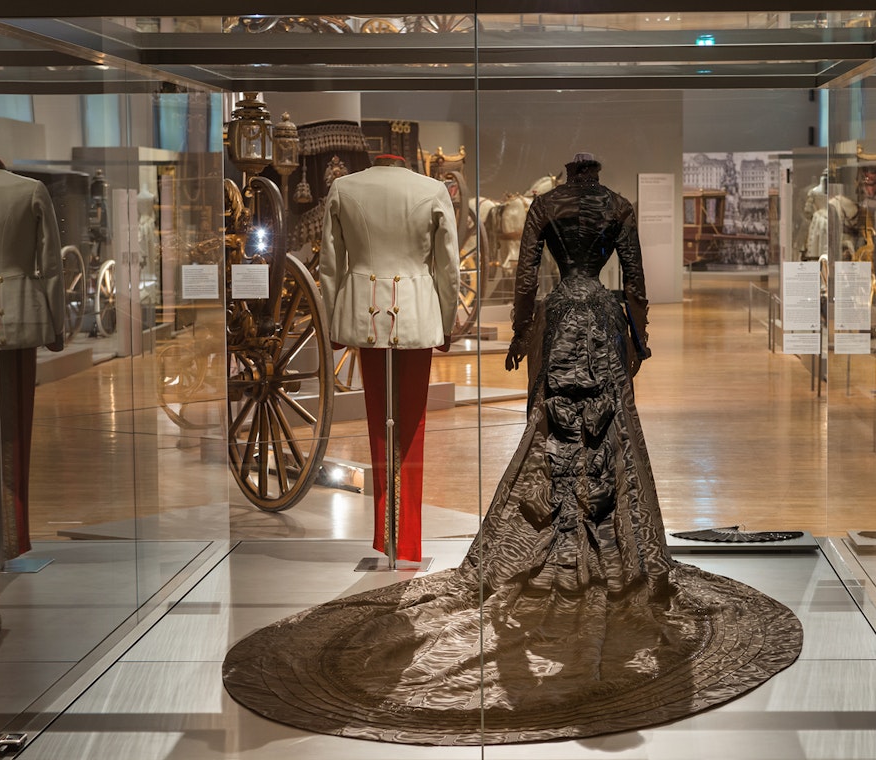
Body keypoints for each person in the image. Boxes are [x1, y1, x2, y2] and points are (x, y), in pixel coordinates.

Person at [224, 154, 802, 745]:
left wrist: (524, 332)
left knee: (550, 432)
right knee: (610, 435)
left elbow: (527, 278)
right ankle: (598, 549)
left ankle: (456, 539)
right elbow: (634, 282)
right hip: (596, 317)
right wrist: (639, 338)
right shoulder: (618, 207)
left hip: (554, 317)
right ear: (596, 174)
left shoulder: (544, 207)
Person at [319, 153, 461, 563]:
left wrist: (332, 322)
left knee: (378, 422)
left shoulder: (345, 188)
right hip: (416, 310)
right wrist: (447, 320)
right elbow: (448, 267)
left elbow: (330, 266)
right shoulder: (431, 189)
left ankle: (389, 538)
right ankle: (408, 540)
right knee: (412, 425)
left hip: (363, 308)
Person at [0, 157, 66, 568]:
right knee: (13, 428)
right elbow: (52, 265)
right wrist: (56, 325)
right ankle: (9, 539)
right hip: (19, 313)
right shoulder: (28, 189)